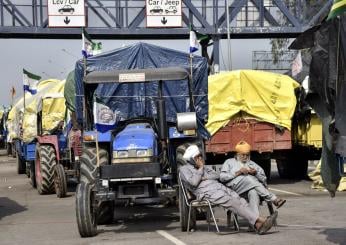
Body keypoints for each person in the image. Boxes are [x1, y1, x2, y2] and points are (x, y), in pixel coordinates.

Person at [179, 144, 278, 235]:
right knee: (232, 202)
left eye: (200, 156)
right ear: (192, 159)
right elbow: (193, 182)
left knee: (240, 200)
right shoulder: (184, 170)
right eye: (197, 157)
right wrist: (200, 170)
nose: (200, 158)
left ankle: (257, 225)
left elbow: (217, 175)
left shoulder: (203, 167)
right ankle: (261, 220)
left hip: (219, 187)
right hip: (207, 192)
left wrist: (204, 176)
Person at [220, 140, 286, 218]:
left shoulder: (252, 164)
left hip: (248, 190)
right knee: (248, 178)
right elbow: (222, 177)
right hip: (234, 189)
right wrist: (238, 172)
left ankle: (255, 223)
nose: (245, 157)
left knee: (253, 192)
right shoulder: (229, 162)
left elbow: (264, 179)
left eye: (247, 155)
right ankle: (273, 198)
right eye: (243, 155)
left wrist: (255, 173)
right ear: (237, 154)